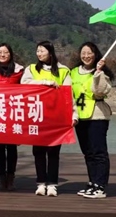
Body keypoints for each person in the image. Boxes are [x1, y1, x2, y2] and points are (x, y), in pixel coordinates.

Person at [21, 40, 77, 197]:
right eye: (37, 51)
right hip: (37, 115)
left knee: (53, 152)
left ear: (50, 52)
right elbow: (24, 84)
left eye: (42, 51)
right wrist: (45, 83)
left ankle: (52, 184)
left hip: (56, 117)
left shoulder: (63, 70)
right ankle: (40, 183)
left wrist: (74, 114)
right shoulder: (31, 69)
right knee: (38, 151)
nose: (39, 54)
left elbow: (68, 95)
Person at [71, 42, 114, 199]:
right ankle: (92, 182)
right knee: (88, 153)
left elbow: (100, 92)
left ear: (95, 55)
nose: (86, 56)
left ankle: (100, 186)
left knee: (99, 152)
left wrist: (98, 73)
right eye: (83, 53)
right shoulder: (73, 72)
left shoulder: (101, 73)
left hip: (97, 116)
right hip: (80, 116)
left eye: (89, 53)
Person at [0, 43, 24, 191]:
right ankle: (2, 177)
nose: (2, 55)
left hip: (14, 112)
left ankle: (11, 177)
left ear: (10, 54)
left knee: (12, 147)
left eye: (5, 52)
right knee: (0, 147)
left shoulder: (19, 70)